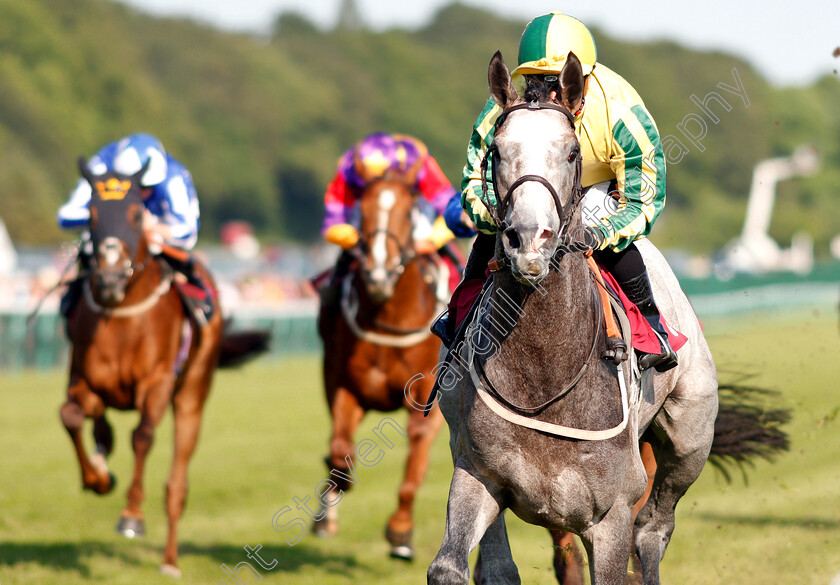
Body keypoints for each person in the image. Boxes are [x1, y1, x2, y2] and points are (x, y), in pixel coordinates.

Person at [436, 12, 677, 372]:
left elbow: (644, 200)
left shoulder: (623, 116)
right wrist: (500, 219)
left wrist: (600, 233)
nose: (545, 93)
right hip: (528, 186)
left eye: (557, 82)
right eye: (535, 80)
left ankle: (651, 328)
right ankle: (457, 321)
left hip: (597, 186)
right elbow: (475, 182)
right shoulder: (500, 112)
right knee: (490, 238)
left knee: (604, 229)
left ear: (580, 81)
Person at [57, 133, 214, 322]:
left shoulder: (174, 177)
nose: (140, 193)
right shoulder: (101, 165)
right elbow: (66, 217)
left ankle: (199, 307)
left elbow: (188, 233)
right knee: (88, 255)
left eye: (146, 188)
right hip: (109, 236)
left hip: (156, 238)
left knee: (180, 261)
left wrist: (152, 226)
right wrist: (110, 216)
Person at [318, 132, 460, 302]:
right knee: (346, 260)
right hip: (366, 209)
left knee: (450, 256)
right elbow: (333, 222)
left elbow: (455, 211)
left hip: (414, 206)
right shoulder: (349, 168)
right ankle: (334, 288)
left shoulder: (420, 164)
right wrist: (355, 239)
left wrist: (432, 240)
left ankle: (461, 281)